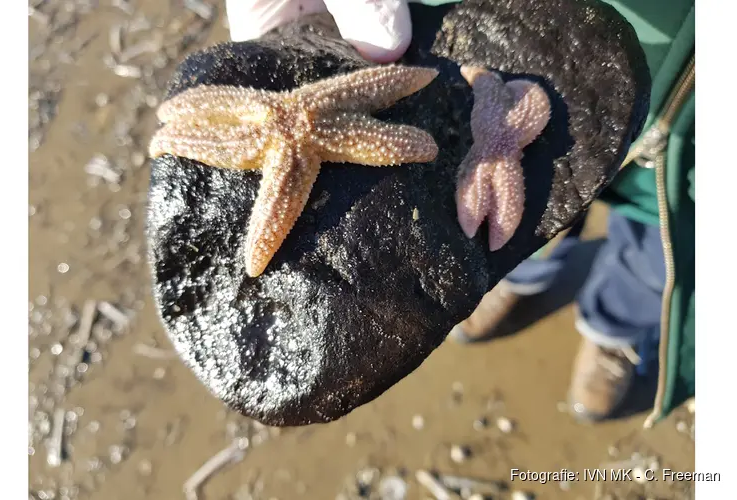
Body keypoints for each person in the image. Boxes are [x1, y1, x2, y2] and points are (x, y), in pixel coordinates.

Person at [227, 0, 696, 425]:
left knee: (662, 225)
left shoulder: (499, 127)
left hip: (693, 107)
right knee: (538, 204)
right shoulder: (490, 108)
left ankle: (615, 326)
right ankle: (516, 277)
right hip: (516, 43)